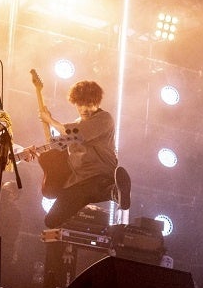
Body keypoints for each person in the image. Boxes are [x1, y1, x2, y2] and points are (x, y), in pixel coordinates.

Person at [25, 79, 128, 228]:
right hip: (77, 181)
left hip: (97, 174)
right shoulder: (77, 123)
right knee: (51, 221)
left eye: (89, 104)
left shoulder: (104, 118)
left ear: (97, 103)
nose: (84, 109)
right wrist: (37, 152)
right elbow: (58, 144)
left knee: (96, 188)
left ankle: (114, 192)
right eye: (80, 104)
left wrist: (50, 120)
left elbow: (76, 133)